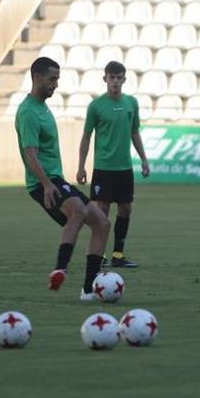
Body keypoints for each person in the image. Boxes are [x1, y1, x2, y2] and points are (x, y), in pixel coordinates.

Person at [15, 57, 110, 299]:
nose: (56, 84)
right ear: (37, 77)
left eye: (57, 79)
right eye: (52, 79)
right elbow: (30, 154)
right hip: (42, 182)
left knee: (102, 223)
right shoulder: (28, 112)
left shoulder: (42, 107)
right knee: (77, 212)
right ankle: (60, 269)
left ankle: (88, 290)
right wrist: (46, 184)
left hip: (56, 179)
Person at [76, 61, 149, 269]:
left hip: (124, 168)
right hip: (103, 168)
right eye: (111, 77)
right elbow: (86, 136)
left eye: (119, 78)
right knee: (102, 212)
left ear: (124, 79)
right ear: (105, 79)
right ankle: (100, 255)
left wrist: (143, 159)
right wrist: (81, 166)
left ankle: (118, 255)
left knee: (126, 209)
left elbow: (134, 132)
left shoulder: (131, 104)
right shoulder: (96, 106)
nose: (115, 82)